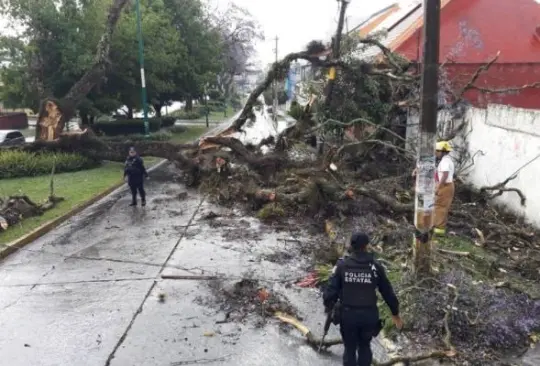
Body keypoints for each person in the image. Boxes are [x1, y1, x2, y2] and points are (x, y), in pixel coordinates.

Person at [323, 232, 402, 366]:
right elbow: (387, 292)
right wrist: (395, 313)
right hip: (369, 316)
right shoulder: (376, 267)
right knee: (365, 347)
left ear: (351, 246)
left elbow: (330, 293)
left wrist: (329, 307)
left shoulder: (342, 266)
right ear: (366, 246)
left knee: (349, 349)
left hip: (348, 316)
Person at [433, 141, 455, 235]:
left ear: (443, 151)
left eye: (437, 151)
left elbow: (445, 175)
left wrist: (438, 187)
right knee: (441, 206)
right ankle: (439, 226)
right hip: (447, 185)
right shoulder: (447, 160)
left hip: (445, 186)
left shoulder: (445, 161)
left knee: (440, 206)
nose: (435, 153)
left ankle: (439, 229)